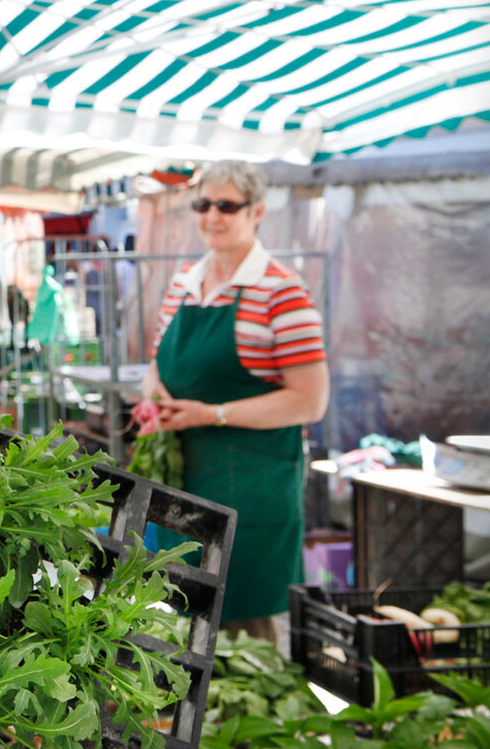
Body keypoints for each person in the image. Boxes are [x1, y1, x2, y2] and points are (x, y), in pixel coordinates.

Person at [140, 160, 330, 643]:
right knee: (181, 624)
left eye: (226, 206)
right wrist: (153, 398)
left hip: (251, 486)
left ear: (257, 211)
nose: (212, 216)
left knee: (242, 638)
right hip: (184, 483)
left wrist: (213, 414)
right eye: (203, 204)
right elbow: (156, 365)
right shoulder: (183, 282)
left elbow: (310, 401)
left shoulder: (282, 291)